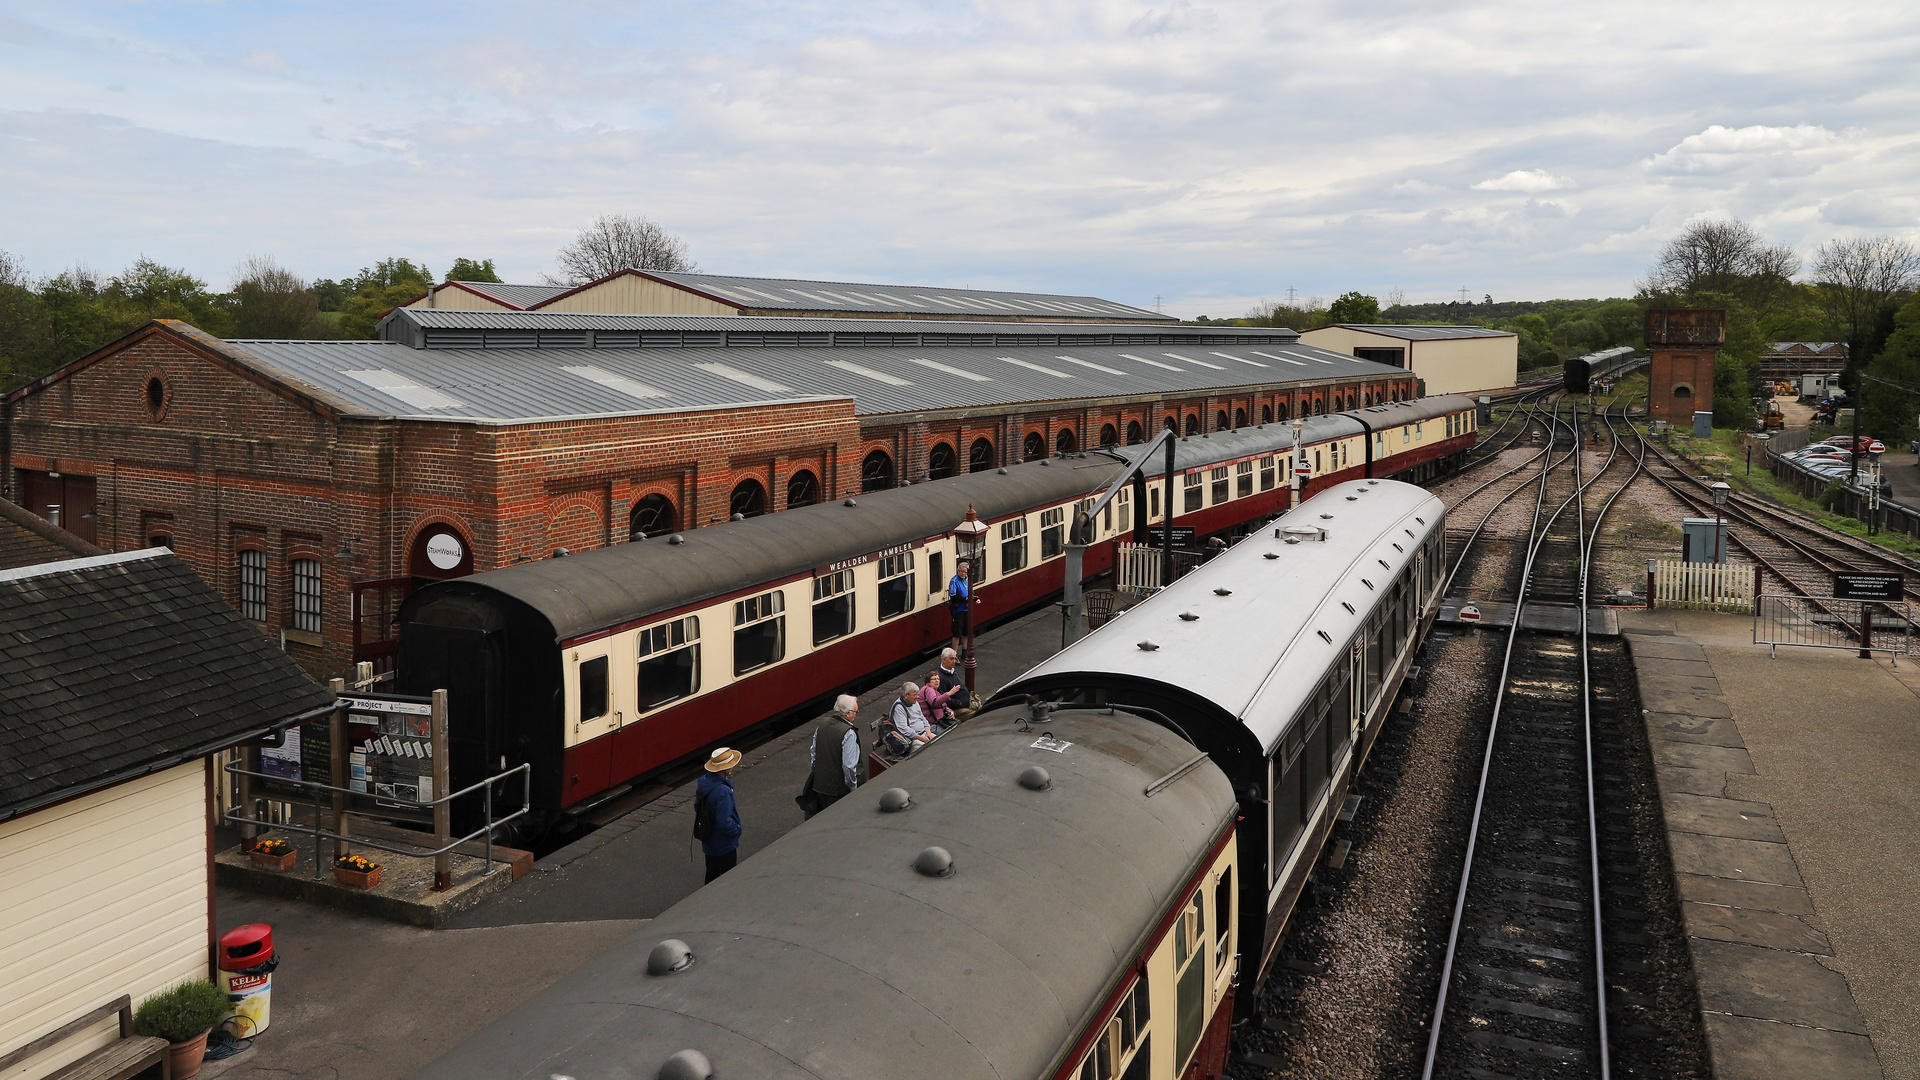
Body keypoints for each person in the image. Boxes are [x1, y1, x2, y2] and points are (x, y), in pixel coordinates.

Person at [805, 695, 864, 818]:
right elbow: (849, 767)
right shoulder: (849, 733)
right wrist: (853, 788)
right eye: (855, 711)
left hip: (819, 786)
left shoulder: (822, 725)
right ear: (847, 713)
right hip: (838, 791)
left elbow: (813, 753)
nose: (856, 714)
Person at [697, 747, 743, 882]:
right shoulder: (723, 791)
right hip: (724, 843)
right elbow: (724, 821)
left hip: (709, 840)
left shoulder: (704, 783)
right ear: (726, 769)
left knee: (712, 874)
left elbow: (697, 807)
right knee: (728, 878)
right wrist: (736, 830)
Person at [887, 682, 936, 753]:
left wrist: (928, 732)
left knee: (939, 742)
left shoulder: (915, 702)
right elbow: (903, 728)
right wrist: (921, 738)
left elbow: (922, 718)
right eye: (914, 695)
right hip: (912, 739)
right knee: (927, 751)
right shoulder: (899, 707)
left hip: (924, 733)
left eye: (917, 694)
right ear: (906, 695)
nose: (917, 697)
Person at [935, 647, 973, 716]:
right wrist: (959, 703)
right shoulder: (940, 677)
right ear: (943, 659)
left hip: (968, 703)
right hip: (956, 709)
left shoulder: (953, 671)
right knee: (977, 715)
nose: (954, 661)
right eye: (951, 659)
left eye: (955, 658)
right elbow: (943, 698)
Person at [947, 560, 974, 655]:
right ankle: (954, 655)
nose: (963, 573)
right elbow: (953, 596)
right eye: (962, 571)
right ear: (958, 571)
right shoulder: (954, 581)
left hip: (967, 609)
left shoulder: (968, 579)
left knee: (965, 632)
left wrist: (975, 598)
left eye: (965, 572)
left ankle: (964, 651)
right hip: (958, 609)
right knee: (957, 633)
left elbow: (971, 592)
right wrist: (965, 599)